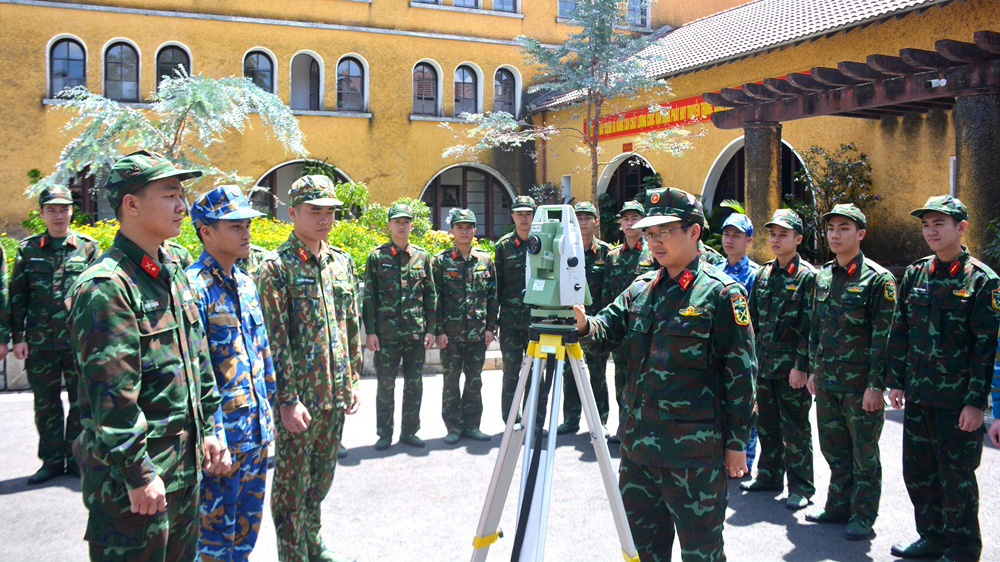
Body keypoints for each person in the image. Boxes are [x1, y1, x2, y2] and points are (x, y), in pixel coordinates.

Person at [575, 187, 756, 561]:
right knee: (641, 553)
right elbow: (604, 329)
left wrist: (736, 443)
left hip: (693, 458)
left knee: (700, 554)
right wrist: (580, 325)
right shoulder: (641, 289)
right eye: (650, 233)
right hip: (639, 453)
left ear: (693, 232)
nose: (654, 241)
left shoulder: (722, 294)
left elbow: (741, 374)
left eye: (664, 232)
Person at [67, 150, 224, 560]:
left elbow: (197, 357)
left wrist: (208, 428)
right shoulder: (107, 286)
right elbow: (112, 397)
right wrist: (138, 473)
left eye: (182, 194)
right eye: (170, 194)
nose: (182, 206)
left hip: (183, 469)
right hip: (136, 484)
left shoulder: (173, 268)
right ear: (131, 205)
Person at [886, 195, 999, 561]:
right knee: (918, 471)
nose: (931, 231)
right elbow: (900, 330)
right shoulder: (917, 273)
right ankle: (931, 537)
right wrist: (896, 381)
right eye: (926, 224)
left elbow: (987, 348)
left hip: (957, 404)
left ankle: (963, 547)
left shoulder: (983, 281)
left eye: (939, 224)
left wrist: (975, 402)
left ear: (961, 228)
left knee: (957, 478)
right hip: (919, 396)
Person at [256, 174, 361, 562]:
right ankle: (293, 553)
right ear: (293, 212)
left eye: (329, 211)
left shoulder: (340, 262)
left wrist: (352, 378)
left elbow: (349, 325)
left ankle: (312, 541)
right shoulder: (275, 267)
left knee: (319, 481)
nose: (324, 219)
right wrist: (287, 399)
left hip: (334, 395)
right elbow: (274, 339)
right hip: (299, 401)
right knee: (290, 486)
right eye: (314, 210)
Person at [186, 185, 275, 562]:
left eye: (248, 224)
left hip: (255, 435)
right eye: (235, 225)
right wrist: (214, 435)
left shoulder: (245, 282)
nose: (246, 232)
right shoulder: (193, 288)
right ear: (206, 232)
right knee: (213, 543)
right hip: (222, 445)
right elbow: (195, 373)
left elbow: (262, 352)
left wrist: (272, 412)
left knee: (245, 539)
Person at [804, 203, 895, 541]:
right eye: (831, 229)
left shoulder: (878, 279)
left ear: (861, 234)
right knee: (834, 449)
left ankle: (862, 515)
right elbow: (816, 327)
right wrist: (815, 370)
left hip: (860, 387)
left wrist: (876, 386)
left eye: (844, 228)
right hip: (828, 381)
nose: (835, 234)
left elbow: (882, 338)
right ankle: (839, 505)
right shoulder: (823, 275)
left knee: (864, 454)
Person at [7, 185, 101, 484]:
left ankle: (75, 460)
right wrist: (17, 337)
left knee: (79, 403)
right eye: (52, 210)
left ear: (72, 211)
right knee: (45, 404)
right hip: (39, 342)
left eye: (64, 209)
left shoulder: (88, 248)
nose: (58, 215)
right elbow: (18, 296)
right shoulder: (28, 249)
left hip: (78, 342)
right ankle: (50, 461)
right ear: (41, 213)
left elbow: (99, 295)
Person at [740, 209, 816, 510]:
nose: (775, 239)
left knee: (795, 430)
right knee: (767, 425)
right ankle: (769, 475)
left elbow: (809, 329)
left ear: (797, 239)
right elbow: (753, 322)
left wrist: (802, 367)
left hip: (790, 370)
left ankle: (802, 487)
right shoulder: (764, 273)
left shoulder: (807, 277)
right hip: (765, 367)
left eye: (783, 234)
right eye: (772, 233)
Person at [363, 201, 436, 451]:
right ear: (389, 225)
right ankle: (384, 434)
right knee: (386, 384)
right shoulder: (377, 256)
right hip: (386, 334)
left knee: (415, 384)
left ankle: (409, 431)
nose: (402, 226)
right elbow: (369, 297)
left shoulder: (422, 257)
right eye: (397, 221)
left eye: (406, 222)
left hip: (415, 333)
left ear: (412, 225)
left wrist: (431, 329)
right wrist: (370, 331)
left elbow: (430, 295)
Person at [431, 208, 498, 444]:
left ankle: (472, 425)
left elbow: (492, 296)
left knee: (474, 380)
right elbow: (434, 299)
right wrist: (438, 330)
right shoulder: (440, 261)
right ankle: (453, 427)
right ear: (451, 231)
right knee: (450, 380)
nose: (464, 231)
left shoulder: (485, 260)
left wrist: (491, 327)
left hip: (478, 333)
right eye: (459, 227)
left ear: (475, 231)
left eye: (469, 227)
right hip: (451, 334)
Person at [601, 200, 657, 443]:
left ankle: (644, 431)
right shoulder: (612, 256)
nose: (630, 222)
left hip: (646, 330)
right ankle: (623, 428)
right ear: (621, 224)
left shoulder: (653, 253)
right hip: (621, 330)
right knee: (621, 381)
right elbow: (606, 294)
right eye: (626, 219)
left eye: (635, 218)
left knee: (646, 382)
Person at [557, 201, 613, 435]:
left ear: (596, 221)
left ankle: (600, 421)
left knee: (597, 373)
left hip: (596, 323)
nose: (582, 222)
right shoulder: (564, 249)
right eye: (578, 218)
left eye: (587, 218)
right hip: (570, 322)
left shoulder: (606, 252)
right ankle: (571, 419)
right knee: (569, 371)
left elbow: (610, 289)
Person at [720, 212, 761, 472]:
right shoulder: (714, 273)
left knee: (746, 407)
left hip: (745, 353)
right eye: (726, 234)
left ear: (749, 240)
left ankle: (746, 460)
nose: (730, 240)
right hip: (720, 353)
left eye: (737, 235)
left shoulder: (756, 275)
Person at [495, 195, 536, 423]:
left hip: (537, 321)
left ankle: (533, 421)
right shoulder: (503, 247)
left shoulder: (543, 242)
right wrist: (494, 322)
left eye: (528, 214)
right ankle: (510, 420)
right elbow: (497, 287)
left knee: (535, 374)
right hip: (511, 323)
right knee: (511, 373)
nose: (524, 219)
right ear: (512, 216)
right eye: (519, 214)